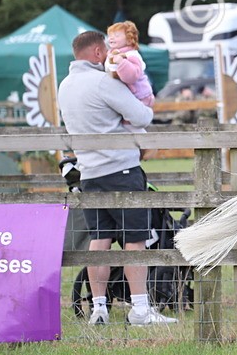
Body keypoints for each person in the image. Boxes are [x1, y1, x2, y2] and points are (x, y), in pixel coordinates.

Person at [57, 30, 177, 326]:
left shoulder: (65, 85)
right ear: (98, 52)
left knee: (99, 241)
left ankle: (99, 308)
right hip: (121, 171)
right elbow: (142, 115)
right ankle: (139, 309)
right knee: (134, 242)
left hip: (89, 173)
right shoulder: (102, 81)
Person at [105, 20, 154, 108]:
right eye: (110, 35)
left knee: (131, 120)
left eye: (116, 36)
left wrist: (122, 62)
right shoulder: (110, 54)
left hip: (140, 97)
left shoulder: (131, 55)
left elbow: (131, 77)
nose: (111, 38)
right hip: (125, 97)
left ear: (128, 40)